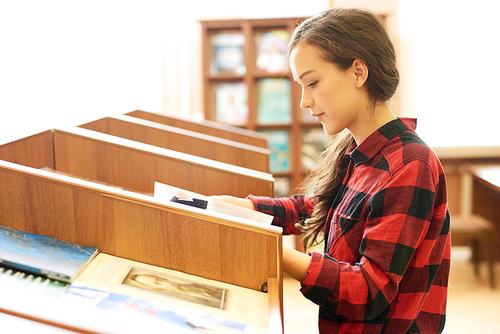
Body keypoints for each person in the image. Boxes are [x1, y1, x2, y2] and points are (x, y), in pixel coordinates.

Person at [214, 6, 451, 334]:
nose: (304, 102)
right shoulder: (356, 149)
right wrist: (247, 208)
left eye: (311, 83)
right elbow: (324, 208)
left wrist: (271, 249)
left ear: (358, 72)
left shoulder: (411, 164)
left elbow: (369, 291)